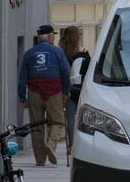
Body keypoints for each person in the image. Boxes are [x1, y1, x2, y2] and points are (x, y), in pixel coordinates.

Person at [17, 24, 71, 166]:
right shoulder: (57, 52)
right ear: (49, 36)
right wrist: (66, 91)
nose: (54, 37)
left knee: (36, 126)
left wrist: (22, 96)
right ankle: (51, 144)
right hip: (54, 91)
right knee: (57, 121)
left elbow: (22, 76)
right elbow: (66, 72)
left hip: (34, 92)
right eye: (53, 34)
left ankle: (40, 159)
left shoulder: (29, 54)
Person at [59, 25, 91, 152]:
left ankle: (71, 144)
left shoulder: (61, 55)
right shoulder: (84, 55)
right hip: (82, 90)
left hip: (68, 90)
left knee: (70, 117)